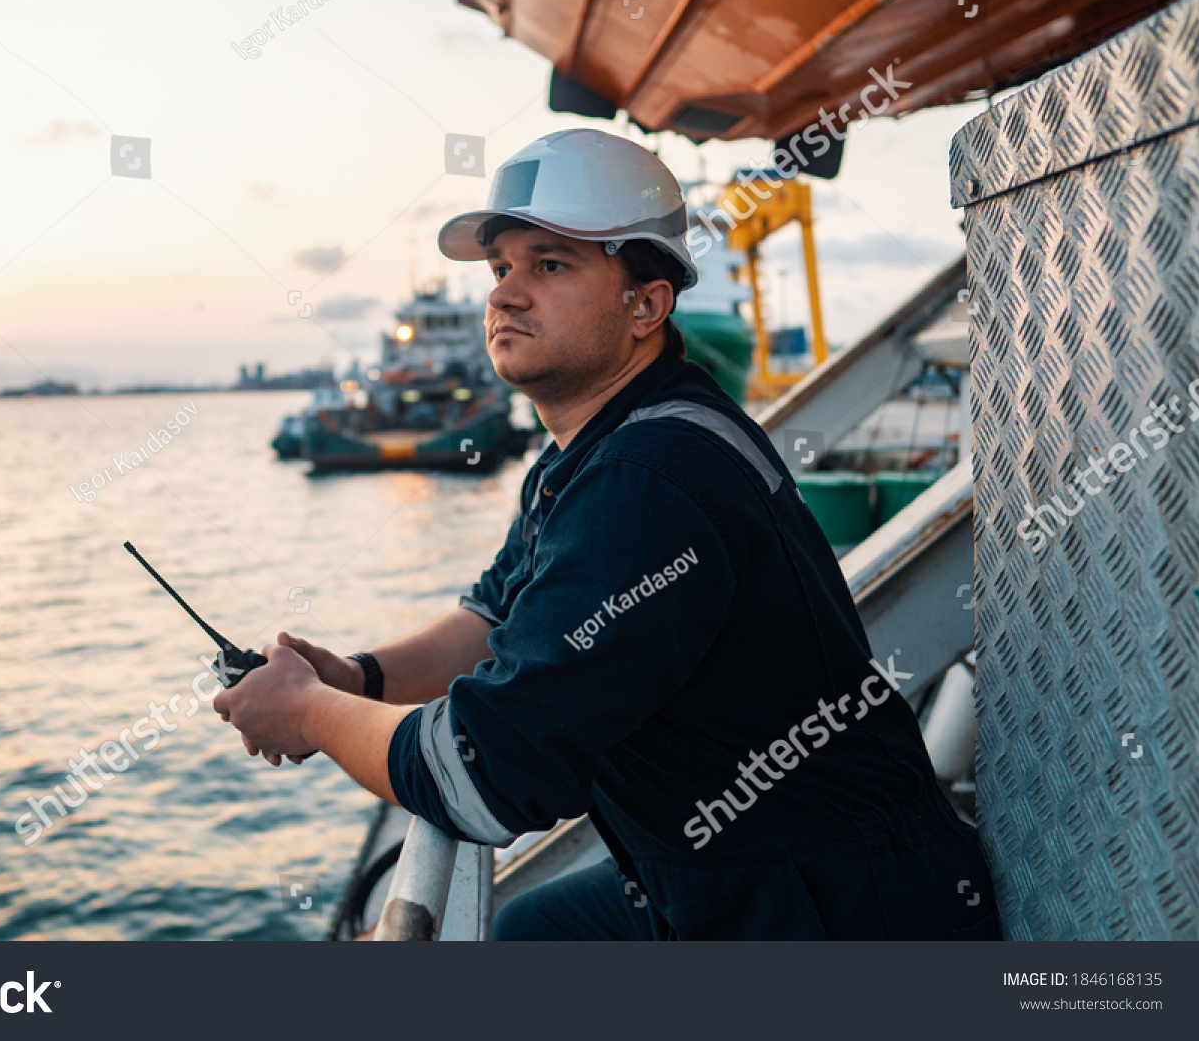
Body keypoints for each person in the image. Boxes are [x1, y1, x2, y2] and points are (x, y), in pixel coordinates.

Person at [215, 128, 998, 940]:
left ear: (647, 304)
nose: (505, 295)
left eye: (549, 265)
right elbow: (490, 621)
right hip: (720, 871)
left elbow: (484, 776)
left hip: (828, 907)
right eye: (500, 267)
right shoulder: (600, 450)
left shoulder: (649, 481)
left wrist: (309, 713)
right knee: (530, 933)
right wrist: (356, 677)